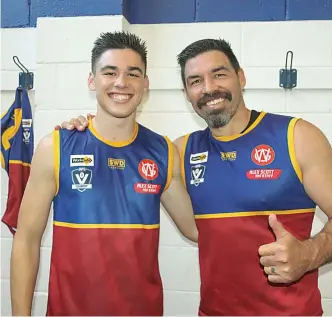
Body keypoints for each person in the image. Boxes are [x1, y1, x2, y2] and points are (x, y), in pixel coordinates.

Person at [58, 38, 332, 316]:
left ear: (241, 77)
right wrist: (83, 132)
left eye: (219, 74)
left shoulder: (295, 136)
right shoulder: (180, 152)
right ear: (187, 94)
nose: (209, 88)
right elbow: (123, 159)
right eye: (195, 81)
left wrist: (310, 254)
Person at [10, 31, 198, 316]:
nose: (121, 82)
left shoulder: (163, 151)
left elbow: (197, 229)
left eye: (132, 74)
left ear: (145, 84)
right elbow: (25, 240)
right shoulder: (57, 147)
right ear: (92, 80)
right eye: (110, 72)